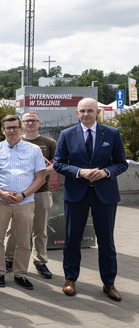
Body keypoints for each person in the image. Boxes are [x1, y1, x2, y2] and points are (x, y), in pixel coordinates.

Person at [54, 98, 128, 301]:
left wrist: (106, 172)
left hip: (105, 195)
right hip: (76, 194)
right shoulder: (67, 134)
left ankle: (109, 282)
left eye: (90, 110)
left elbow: (121, 163)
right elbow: (59, 163)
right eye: (82, 111)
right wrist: (80, 172)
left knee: (106, 240)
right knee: (72, 239)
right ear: (77, 113)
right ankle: (70, 279)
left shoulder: (112, 133)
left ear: (97, 112)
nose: (86, 114)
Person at [0, 115, 46, 290]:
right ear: (3, 130)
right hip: (0, 201)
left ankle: (20, 274)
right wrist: (0, 193)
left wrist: (23, 195)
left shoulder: (34, 150)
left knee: (24, 241)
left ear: (21, 129)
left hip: (25, 202)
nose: (12, 130)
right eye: (8, 128)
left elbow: (40, 178)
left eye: (15, 127)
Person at [5, 111, 56, 279]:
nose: (30, 123)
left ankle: (40, 261)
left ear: (39, 123)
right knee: (14, 229)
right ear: (21, 125)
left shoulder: (49, 143)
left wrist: (40, 173)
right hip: (19, 193)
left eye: (34, 120)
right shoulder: (16, 141)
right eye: (26, 120)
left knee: (40, 230)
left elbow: (57, 164)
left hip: (42, 191)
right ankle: (9, 259)